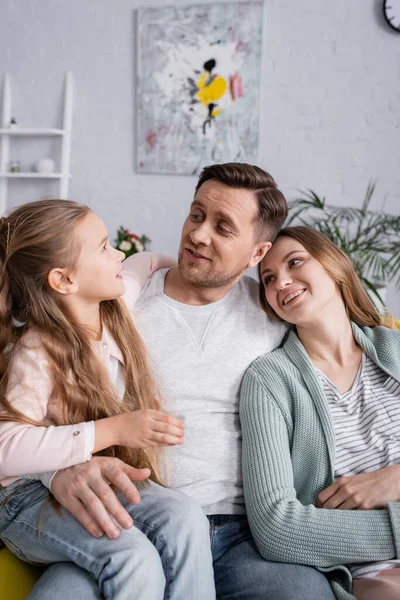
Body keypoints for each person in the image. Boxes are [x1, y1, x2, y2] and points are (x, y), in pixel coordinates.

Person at [29, 164, 336, 600]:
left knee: (306, 594)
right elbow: (33, 406)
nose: (198, 234)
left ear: (256, 252)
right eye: (196, 215)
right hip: (131, 521)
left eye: (223, 227)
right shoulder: (119, 302)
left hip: (244, 539)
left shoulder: (275, 313)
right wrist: (56, 472)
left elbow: (350, 358)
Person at [0, 199, 216, 600]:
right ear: (64, 280)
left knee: (184, 515)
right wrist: (113, 429)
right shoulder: (37, 349)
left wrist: (191, 280)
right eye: (103, 247)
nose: (118, 252)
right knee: (131, 555)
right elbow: (5, 447)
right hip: (22, 497)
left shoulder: (117, 308)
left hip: (90, 478)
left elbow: (147, 260)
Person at [240, 225, 400, 600]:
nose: (281, 282)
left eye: (295, 262)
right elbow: (276, 527)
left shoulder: (395, 348)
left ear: (334, 265)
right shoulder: (269, 381)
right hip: (373, 575)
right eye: (268, 278)